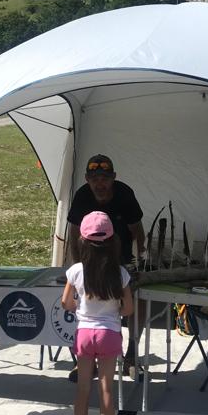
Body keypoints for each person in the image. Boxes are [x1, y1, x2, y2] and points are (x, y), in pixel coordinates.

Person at [62, 210, 134, 415]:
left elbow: (66, 302)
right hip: (109, 334)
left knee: (82, 388)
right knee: (106, 389)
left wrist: (78, 306)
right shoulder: (121, 273)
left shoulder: (76, 271)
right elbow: (129, 309)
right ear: (114, 242)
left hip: (84, 333)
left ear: (82, 241)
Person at [66, 154, 145, 372]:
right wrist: (78, 265)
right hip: (90, 260)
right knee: (86, 309)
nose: (100, 184)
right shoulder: (82, 195)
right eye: (94, 180)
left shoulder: (125, 194)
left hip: (123, 259)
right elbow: (73, 232)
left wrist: (142, 259)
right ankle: (85, 359)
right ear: (86, 179)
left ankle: (131, 354)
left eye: (105, 179)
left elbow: (137, 230)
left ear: (114, 178)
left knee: (135, 303)